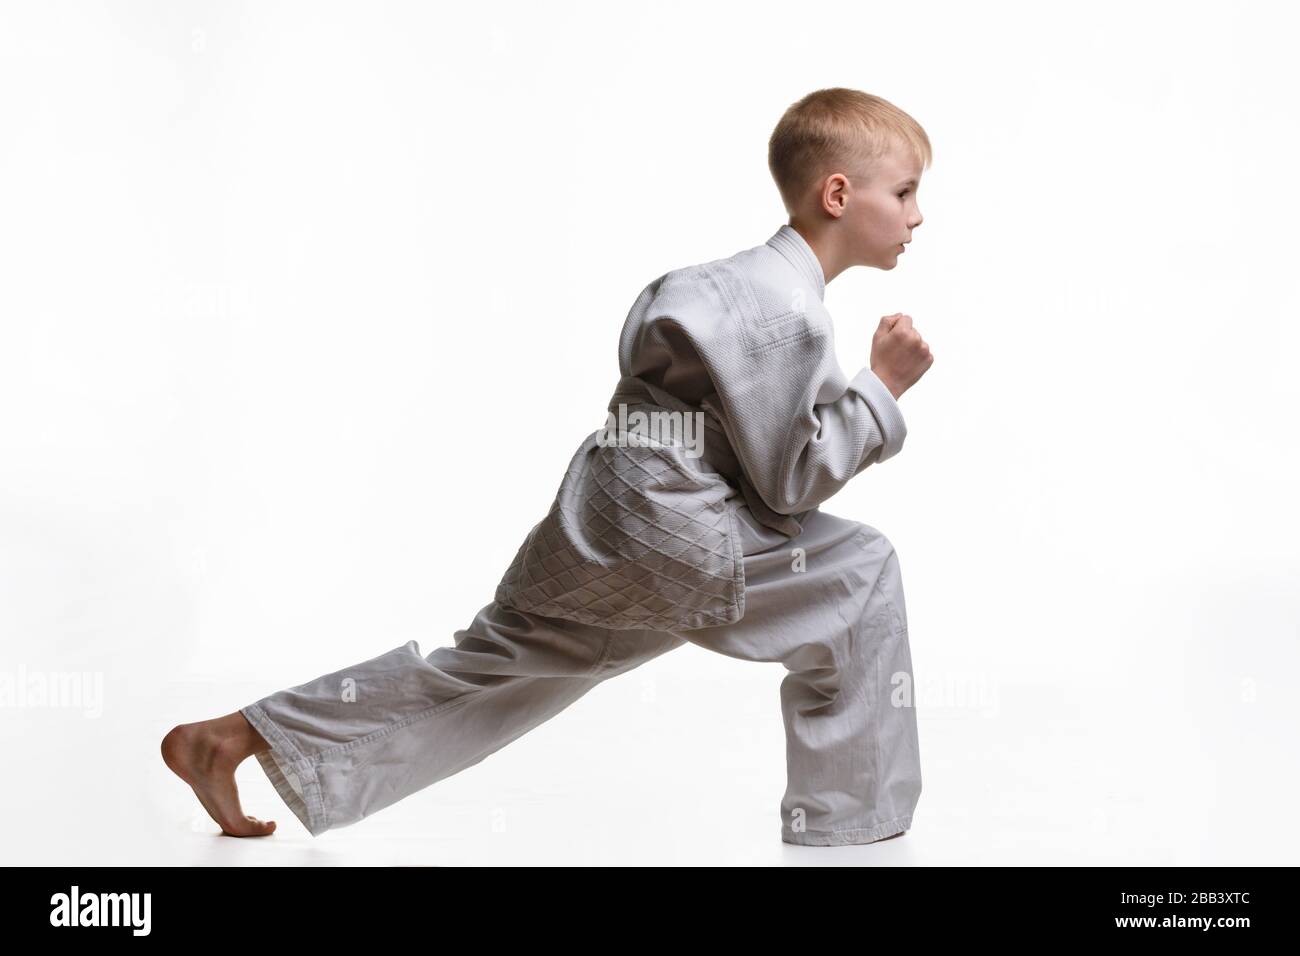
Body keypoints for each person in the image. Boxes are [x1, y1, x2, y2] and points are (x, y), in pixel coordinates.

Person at [162, 87, 934, 847]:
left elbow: (664, 384)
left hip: (609, 511)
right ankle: (849, 824)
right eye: (904, 192)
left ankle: (236, 737)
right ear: (837, 193)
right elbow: (790, 483)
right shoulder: (789, 312)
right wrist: (880, 389)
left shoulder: (724, 281)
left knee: (497, 665)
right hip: (674, 530)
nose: (916, 216)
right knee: (860, 572)